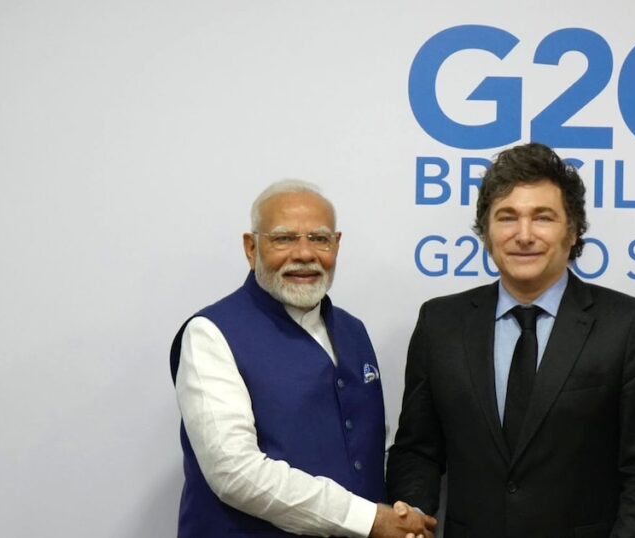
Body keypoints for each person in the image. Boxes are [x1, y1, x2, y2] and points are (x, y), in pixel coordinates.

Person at [387, 143, 635, 538]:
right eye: (507, 217)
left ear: (572, 231)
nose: (524, 235)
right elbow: (416, 450)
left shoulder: (630, 326)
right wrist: (413, 517)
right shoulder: (439, 323)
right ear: (487, 233)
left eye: (543, 217)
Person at [170, 180, 436, 538]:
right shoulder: (210, 333)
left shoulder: (353, 331)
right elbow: (234, 472)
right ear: (251, 248)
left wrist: (402, 514)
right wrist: (370, 520)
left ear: (336, 245)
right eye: (284, 238)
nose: (305, 254)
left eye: (319, 239)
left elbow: (369, 448)